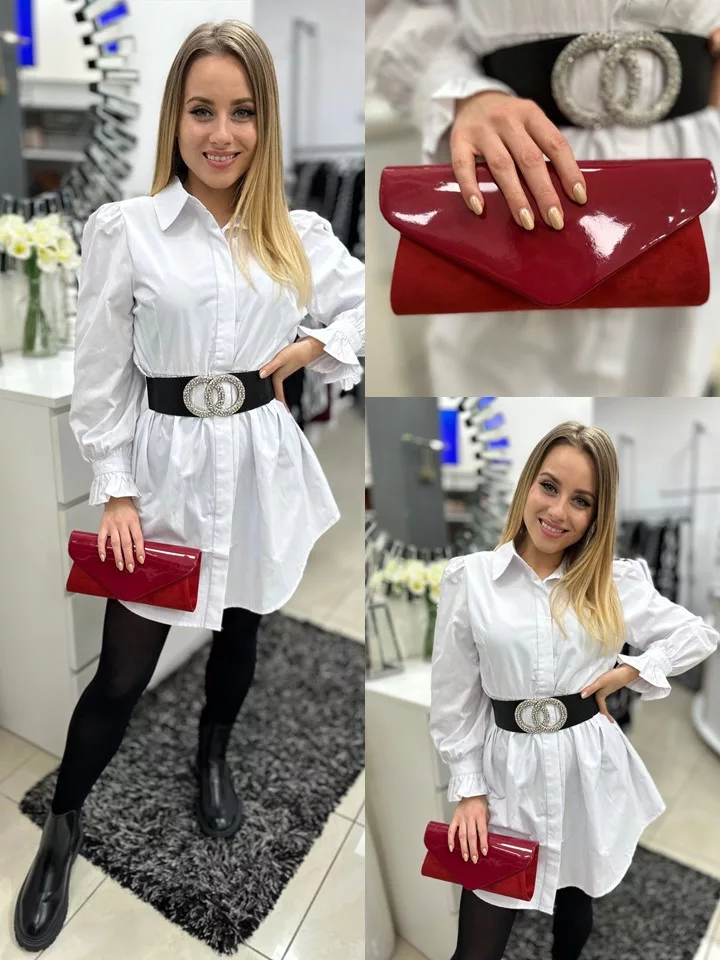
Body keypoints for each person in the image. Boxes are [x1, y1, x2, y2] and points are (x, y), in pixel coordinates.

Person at [13, 19, 365, 953]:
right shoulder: (126, 230)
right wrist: (117, 490)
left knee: (242, 628)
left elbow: (370, 302)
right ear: (175, 117)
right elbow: (101, 375)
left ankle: (213, 751)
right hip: (164, 469)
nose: (222, 133)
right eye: (202, 110)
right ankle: (64, 823)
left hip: (257, 459)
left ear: (265, 122)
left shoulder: (298, 234)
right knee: (122, 672)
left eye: (243, 112)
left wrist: (314, 345)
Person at [429, 421, 719, 960]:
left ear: (597, 515)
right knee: (476, 944)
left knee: (576, 897)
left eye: (581, 500)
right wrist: (468, 790)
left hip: (586, 765)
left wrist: (631, 670)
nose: (559, 511)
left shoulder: (613, 582)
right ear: (528, 483)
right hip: (507, 774)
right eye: (549, 486)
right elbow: (454, 699)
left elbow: (698, 634)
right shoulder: (469, 580)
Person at [367, 1, 720, 396]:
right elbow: (390, 11)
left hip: (686, 171)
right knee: (490, 380)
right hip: (506, 171)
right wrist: (464, 94)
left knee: (671, 383)